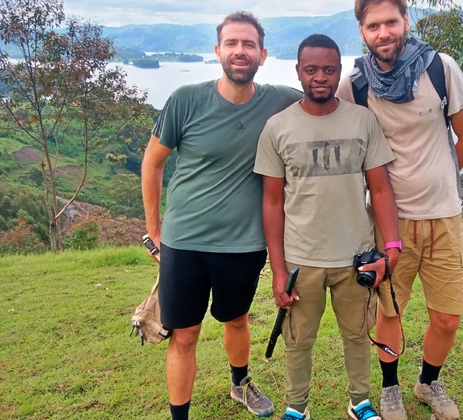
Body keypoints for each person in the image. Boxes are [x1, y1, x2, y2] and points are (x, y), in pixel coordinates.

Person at [140, 11, 303, 420]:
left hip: (243, 244)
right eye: (231, 43)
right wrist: (153, 229)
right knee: (184, 334)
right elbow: (152, 163)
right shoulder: (185, 100)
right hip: (184, 243)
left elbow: (327, 94)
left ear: (263, 55)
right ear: (217, 51)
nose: (240, 51)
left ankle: (240, 383)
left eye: (248, 44)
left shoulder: (280, 100)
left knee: (236, 319)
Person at [336, 1, 463, 419]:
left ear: (406, 22)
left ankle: (428, 381)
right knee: (390, 309)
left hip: (443, 218)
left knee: (448, 316)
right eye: (374, 25)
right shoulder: (356, 84)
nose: (384, 32)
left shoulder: (440, 69)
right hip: (389, 225)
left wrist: (436, 179)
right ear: (362, 31)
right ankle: (391, 388)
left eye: (391, 22)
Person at [254, 34, 401, 420]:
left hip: (356, 257)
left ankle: (360, 403)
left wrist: (392, 249)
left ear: (339, 71)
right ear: (299, 71)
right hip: (302, 259)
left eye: (330, 69)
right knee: (298, 341)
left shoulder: (362, 120)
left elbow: (381, 188)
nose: (321, 77)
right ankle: (296, 409)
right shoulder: (277, 127)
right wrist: (278, 269)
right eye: (312, 69)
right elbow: (271, 202)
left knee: (357, 336)